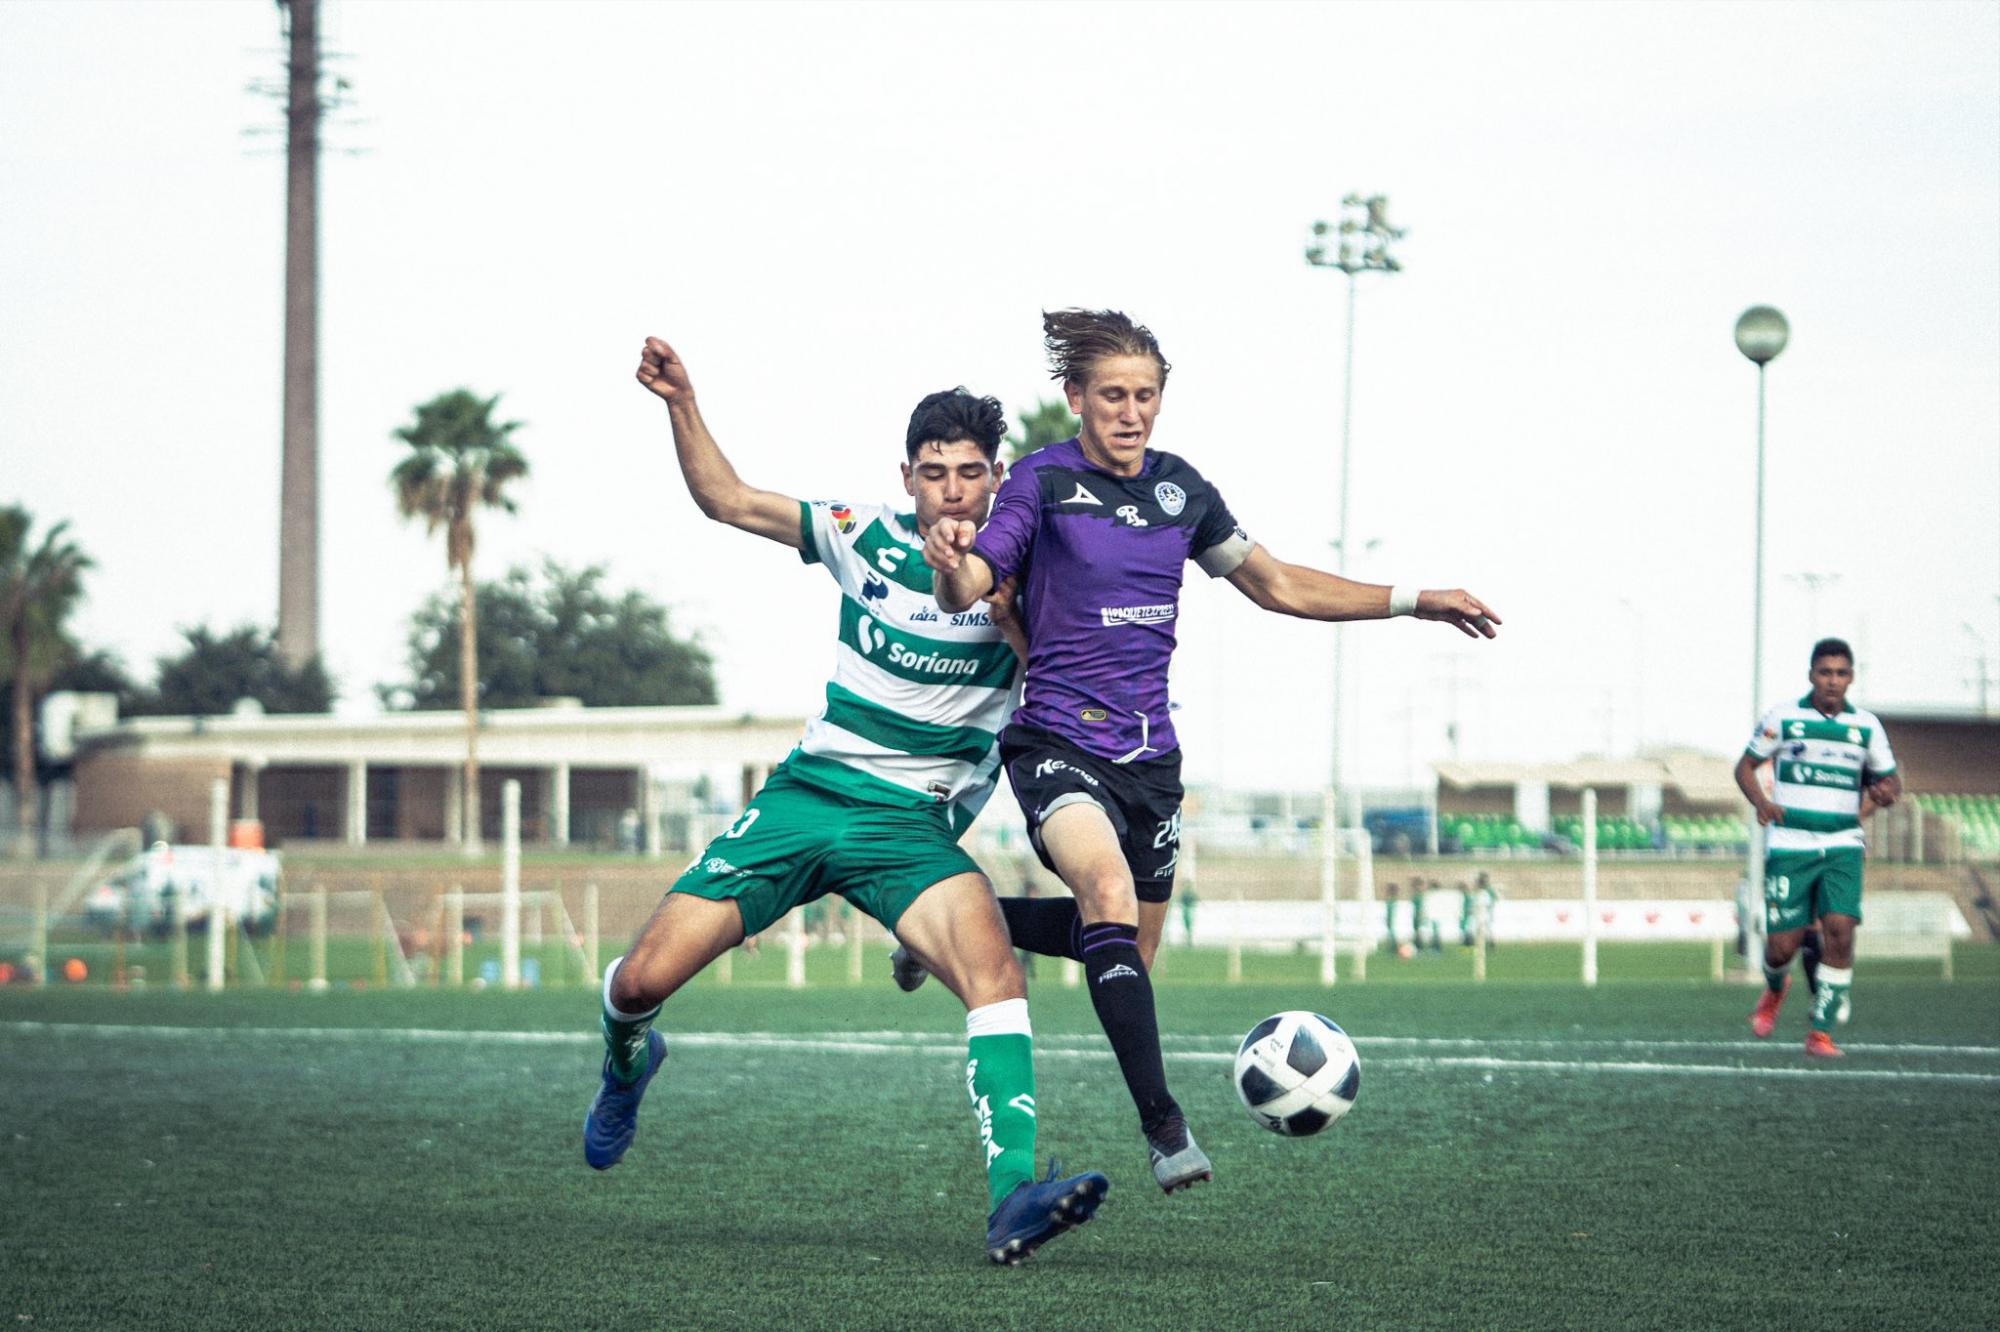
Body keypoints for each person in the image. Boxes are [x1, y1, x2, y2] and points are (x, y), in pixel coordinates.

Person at [918, 308, 1501, 1191]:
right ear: (1075, 396)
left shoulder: (1182, 491)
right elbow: (977, 578)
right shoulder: (1039, 481)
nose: (1130, 411)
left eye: (1145, 395)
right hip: (1055, 742)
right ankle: (1166, 1129)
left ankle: (954, 918)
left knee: (1120, 950)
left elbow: (1277, 585)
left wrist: (1415, 598)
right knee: (1106, 894)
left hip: (1152, 765)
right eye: (1112, 394)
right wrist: (952, 560)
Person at [583, 336, 1107, 1265]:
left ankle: (1014, 1194)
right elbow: (727, 499)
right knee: (639, 982)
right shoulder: (856, 533)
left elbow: (1057, 684)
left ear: (997, 481)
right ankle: (628, 1059)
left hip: (910, 827)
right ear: (906, 476)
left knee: (995, 973)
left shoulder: (1026, 578)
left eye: (972, 473)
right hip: (808, 795)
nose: (953, 489)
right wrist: (682, 401)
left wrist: (1009, 620)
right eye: (935, 472)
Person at [1736, 637, 1899, 1057]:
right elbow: (1745, 766)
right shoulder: (1784, 718)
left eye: (1841, 673)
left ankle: (1820, 1032)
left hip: (1843, 843)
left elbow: (1890, 780)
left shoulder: (1867, 726)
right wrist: (1763, 803)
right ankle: (1775, 988)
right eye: (1825, 672)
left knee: (1840, 932)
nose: (1833, 680)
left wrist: (1884, 794)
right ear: (1811, 674)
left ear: (1851, 678)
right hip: (1791, 845)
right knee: (1781, 948)